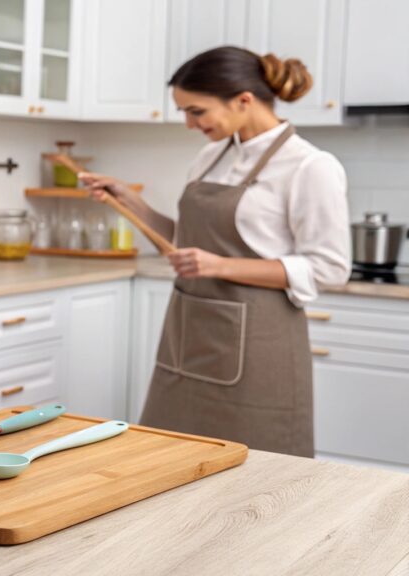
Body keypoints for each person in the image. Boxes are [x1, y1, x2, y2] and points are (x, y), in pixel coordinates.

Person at [80, 47, 351, 457]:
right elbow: (185, 243)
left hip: (261, 339)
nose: (189, 124)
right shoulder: (211, 157)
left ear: (243, 100)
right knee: (168, 455)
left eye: (197, 111)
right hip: (188, 334)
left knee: (258, 467)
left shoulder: (309, 166)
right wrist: (128, 200)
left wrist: (219, 265)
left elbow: (330, 268)